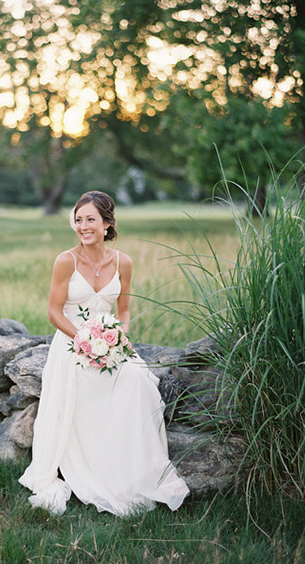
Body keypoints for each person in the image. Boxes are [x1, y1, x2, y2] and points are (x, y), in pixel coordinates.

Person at [19, 190, 190, 516]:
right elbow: (54, 313)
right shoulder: (65, 260)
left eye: (90, 220)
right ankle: (92, 469)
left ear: (107, 223)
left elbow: (123, 311)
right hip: (71, 342)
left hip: (109, 343)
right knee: (87, 385)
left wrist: (116, 339)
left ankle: (133, 469)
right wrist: (84, 339)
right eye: (79, 219)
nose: (83, 226)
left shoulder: (122, 262)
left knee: (138, 381)